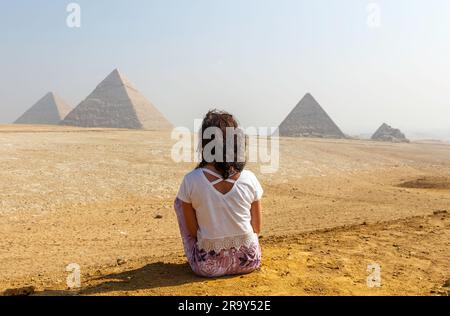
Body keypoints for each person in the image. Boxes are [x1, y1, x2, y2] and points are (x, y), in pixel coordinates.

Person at [174, 110, 263, 277]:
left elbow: (192, 232)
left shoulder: (191, 180)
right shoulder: (250, 178)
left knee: (181, 201)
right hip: (249, 261)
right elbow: (257, 227)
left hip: (208, 266)